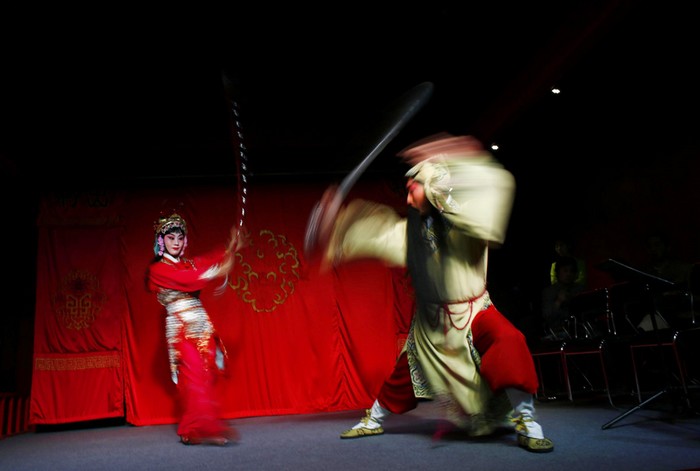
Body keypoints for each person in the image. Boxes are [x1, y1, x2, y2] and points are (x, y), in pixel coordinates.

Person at [306, 133, 554, 453]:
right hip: (432, 322)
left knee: (509, 341)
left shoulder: (467, 222)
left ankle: (527, 422)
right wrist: (335, 226)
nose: (408, 200)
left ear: (434, 186)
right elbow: (379, 234)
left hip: (474, 310)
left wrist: (461, 158)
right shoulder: (415, 231)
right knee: (405, 372)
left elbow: (493, 188)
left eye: (413, 190)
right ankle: (373, 419)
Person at [146, 212, 239, 446]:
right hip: (180, 327)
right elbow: (190, 279)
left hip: (201, 323)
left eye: (180, 238)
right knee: (192, 376)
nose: (176, 242)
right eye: (170, 238)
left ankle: (195, 427)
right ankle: (201, 429)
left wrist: (229, 248)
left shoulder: (188, 263)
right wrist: (217, 269)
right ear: (161, 241)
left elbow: (207, 261)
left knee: (207, 376)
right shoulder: (158, 270)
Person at [541, 255, 586, 340]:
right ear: (558, 272)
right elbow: (547, 317)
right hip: (558, 331)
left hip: (580, 329)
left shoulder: (580, 289)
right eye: (565, 271)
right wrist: (558, 302)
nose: (568, 274)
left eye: (572, 271)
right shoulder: (549, 291)